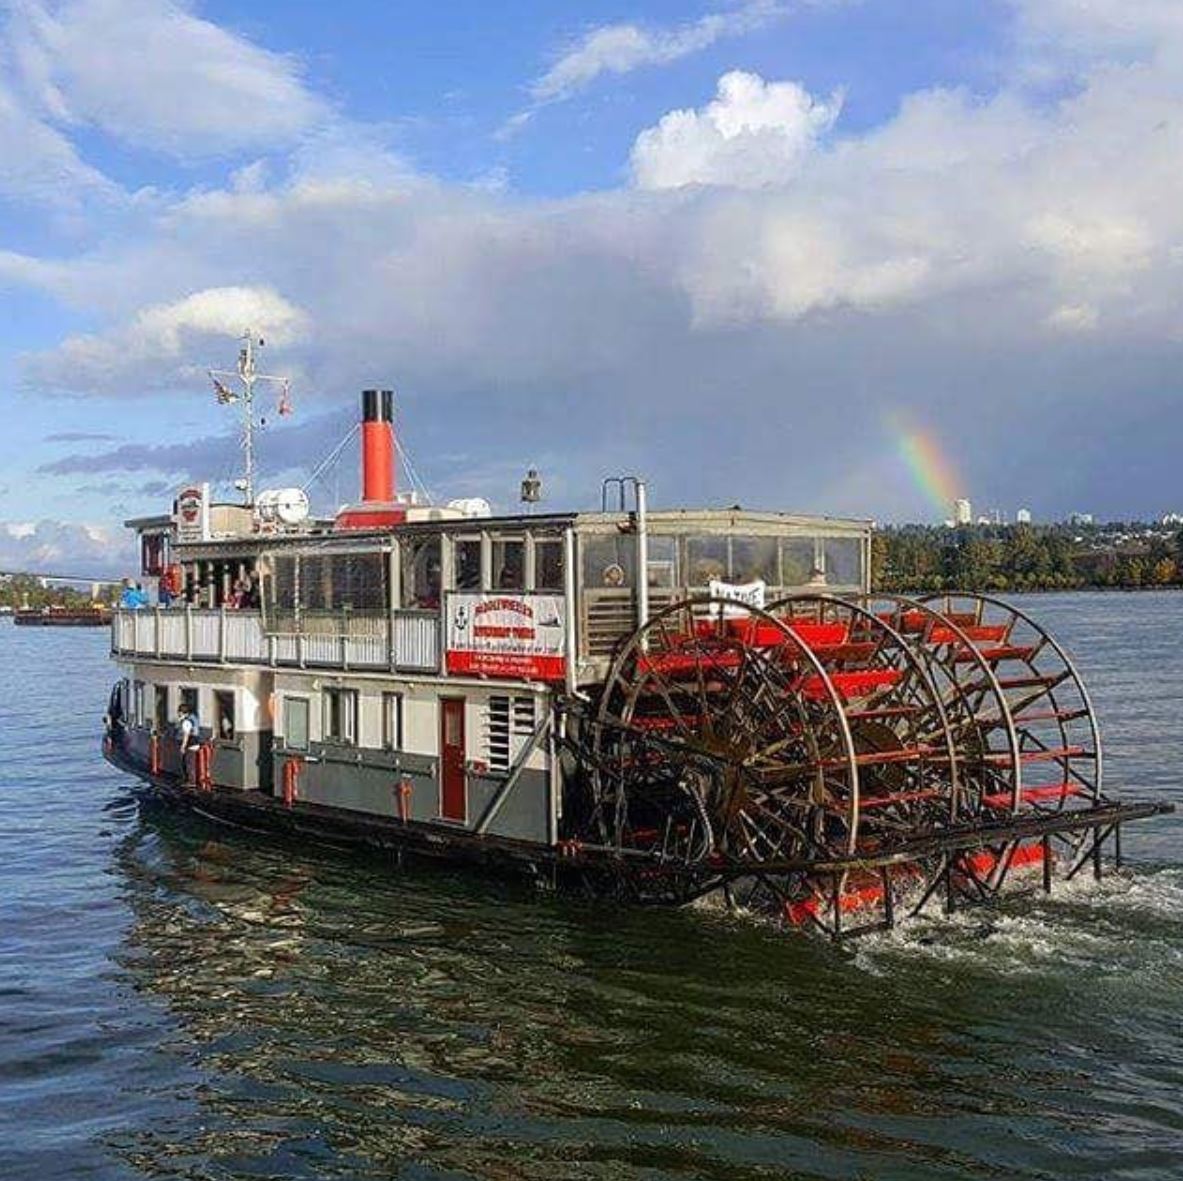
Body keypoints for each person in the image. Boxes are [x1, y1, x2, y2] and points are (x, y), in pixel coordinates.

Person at [177, 701, 202, 780]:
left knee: (189, 764)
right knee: (190, 763)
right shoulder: (193, 718)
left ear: (182, 712)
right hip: (195, 743)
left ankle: (191, 781)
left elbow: (186, 735)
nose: (178, 714)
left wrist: (183, 746)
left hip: (191, 744)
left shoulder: (186, 721)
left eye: (179, 712)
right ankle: (190, 779)